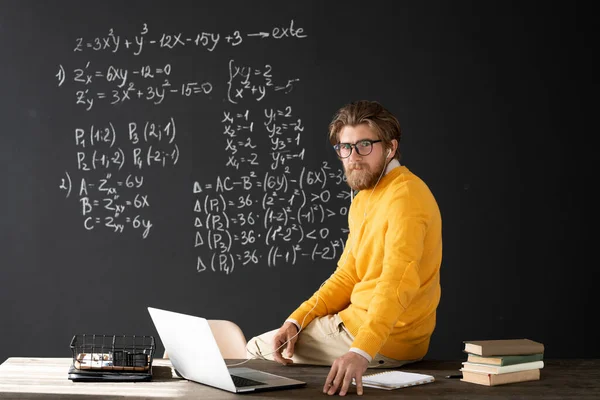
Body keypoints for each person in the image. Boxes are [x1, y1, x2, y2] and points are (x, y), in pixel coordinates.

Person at [246, 100, 442, 396]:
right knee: (280, 340)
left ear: (390, 147)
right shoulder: (366, 197)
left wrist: (361, 351)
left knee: (254, 349)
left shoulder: (406, 196)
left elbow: (398, 281)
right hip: (363, 325)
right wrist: (296, 320)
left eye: (364, 145)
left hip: (385, 337)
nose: (353, 157)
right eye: (344, 147)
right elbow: (348, 274)